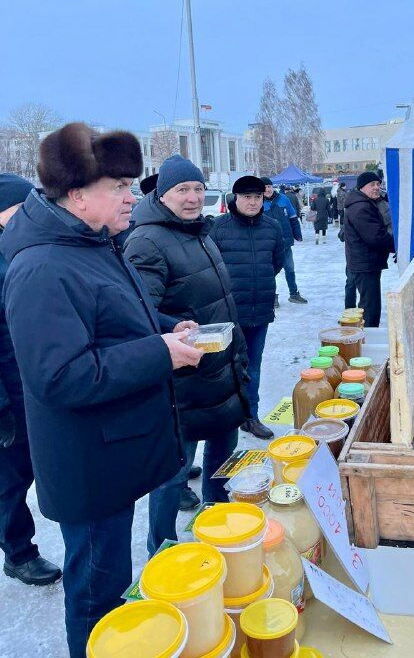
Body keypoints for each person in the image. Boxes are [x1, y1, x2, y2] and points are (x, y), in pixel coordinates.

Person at [0, 123, 202, 658]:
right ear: (77, 194)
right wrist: (159, 353)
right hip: (86, 463)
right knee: (96, 590)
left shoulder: (90, 243)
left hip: (112, 448)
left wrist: (166, 327)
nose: (131, 197)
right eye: (119, 187)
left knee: (110, 576)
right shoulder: (42, 266)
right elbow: (59, 376)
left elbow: (113, 317)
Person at [124, 155, 250, 556]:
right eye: (183, 190)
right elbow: (137, 312)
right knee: (174, 471)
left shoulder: (198, 231)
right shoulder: (147, 240)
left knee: (222, 456)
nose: (193, 197)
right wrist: (175, 326)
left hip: (219, 368)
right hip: (184, 379)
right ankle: (163, 549)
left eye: (197, 188)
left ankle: (218, 522)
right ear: (163, 195)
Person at [0, 175, 62, 587]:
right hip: (8, 396)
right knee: (10, 482)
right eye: (19, 208)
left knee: (48, 469)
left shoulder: (26, 247)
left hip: (39, 387)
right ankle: (19, 553)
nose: (28, 215)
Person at [211, 176, 285, 439]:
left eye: (256, 197)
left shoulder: (272, 227)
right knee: (226, 368)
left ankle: (250, 416)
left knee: (253, 366)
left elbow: (276, 263)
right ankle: (226, 418)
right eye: (246, 197)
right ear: (235, 199)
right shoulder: (219, 228)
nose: (252, 202)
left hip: (260, 309)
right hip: (229, 314)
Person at [343, 171, 395, 327]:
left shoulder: (365, 203)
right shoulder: (361, 208)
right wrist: (398, 247)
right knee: (370, 308)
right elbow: (376, 237)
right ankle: (366, 340)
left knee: (369, 305)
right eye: (372, 184)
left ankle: (364, 337)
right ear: (362, 187)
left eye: (378, 184)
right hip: (365, 264)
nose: (376, 187)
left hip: (366, 263)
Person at [262, 177, 307, 304]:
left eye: (269, 186)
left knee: (290, 269)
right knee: (271, 272)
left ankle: (293, 294)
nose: (267, 189)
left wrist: (297, 234)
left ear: (272, 187)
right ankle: (273, 297)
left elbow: (293, 217)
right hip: (268, 245)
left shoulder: (283, 198)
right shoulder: (259, 202)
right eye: (264, 187)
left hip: (285, 243)